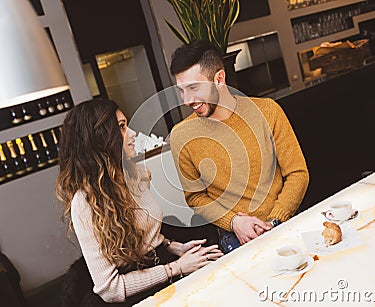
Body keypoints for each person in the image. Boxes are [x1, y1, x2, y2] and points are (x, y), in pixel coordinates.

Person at [55, 98, 222, 305]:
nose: (133, 134)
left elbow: (144, 236)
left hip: (163, 265)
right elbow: (110, 289)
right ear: (100, 140)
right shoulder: (85, 202)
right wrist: (177, 268)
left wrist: (174, 247)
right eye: (122, 127)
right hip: (136, 291)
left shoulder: (138, 174)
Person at [169, 40, 309, 254]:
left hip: (284, 218)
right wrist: (235, 222)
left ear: (219, 79)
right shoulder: (181, 136)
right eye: (181, 91)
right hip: (234, 233)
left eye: (194, 88)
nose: (187, 100)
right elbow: (196, 197)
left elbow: (298, 173)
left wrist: (274, 222)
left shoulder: (268, 111)